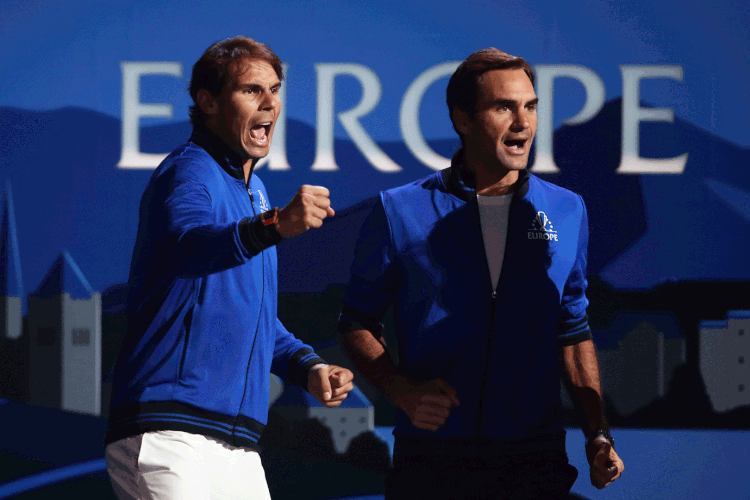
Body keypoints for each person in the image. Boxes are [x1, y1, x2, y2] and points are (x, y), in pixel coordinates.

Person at [338, 48, 624, 499]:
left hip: (536, 461)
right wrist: (402, 392)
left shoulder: (567, 209)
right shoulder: (398, 209)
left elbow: (572, 330)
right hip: (431, 464)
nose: (523, 122)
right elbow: (355, 322)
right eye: (503, 107)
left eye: (530, 106)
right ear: (463, 120)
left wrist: (598, 435)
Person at [105, 36, 354, 500]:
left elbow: (247, 313)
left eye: (274, 90)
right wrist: (275, 226)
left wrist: (306, 366)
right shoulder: (189, 171)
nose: (270, 104)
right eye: (251, 91)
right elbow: (189, 247)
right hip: (170, 434)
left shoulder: (254, 192)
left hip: (237, 447)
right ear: (208, 101)